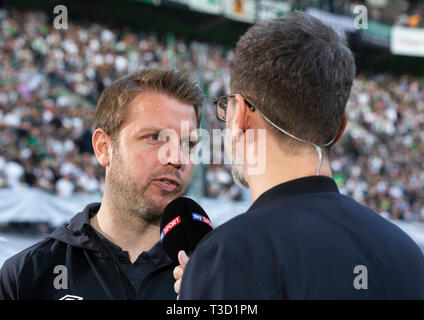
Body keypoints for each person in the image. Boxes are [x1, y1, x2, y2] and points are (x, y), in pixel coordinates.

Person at [174, 11, 424, 299]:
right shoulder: (407, 254)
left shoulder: (229, 256)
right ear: (340, 126)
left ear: (240, 113)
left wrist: (204, 286)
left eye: (225, 106)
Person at [0, 68, 203, 300]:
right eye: (155, 137)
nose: (176, 158)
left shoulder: (221, 273)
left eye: (188, 143)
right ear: (103, 147)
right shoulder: (28, 273)